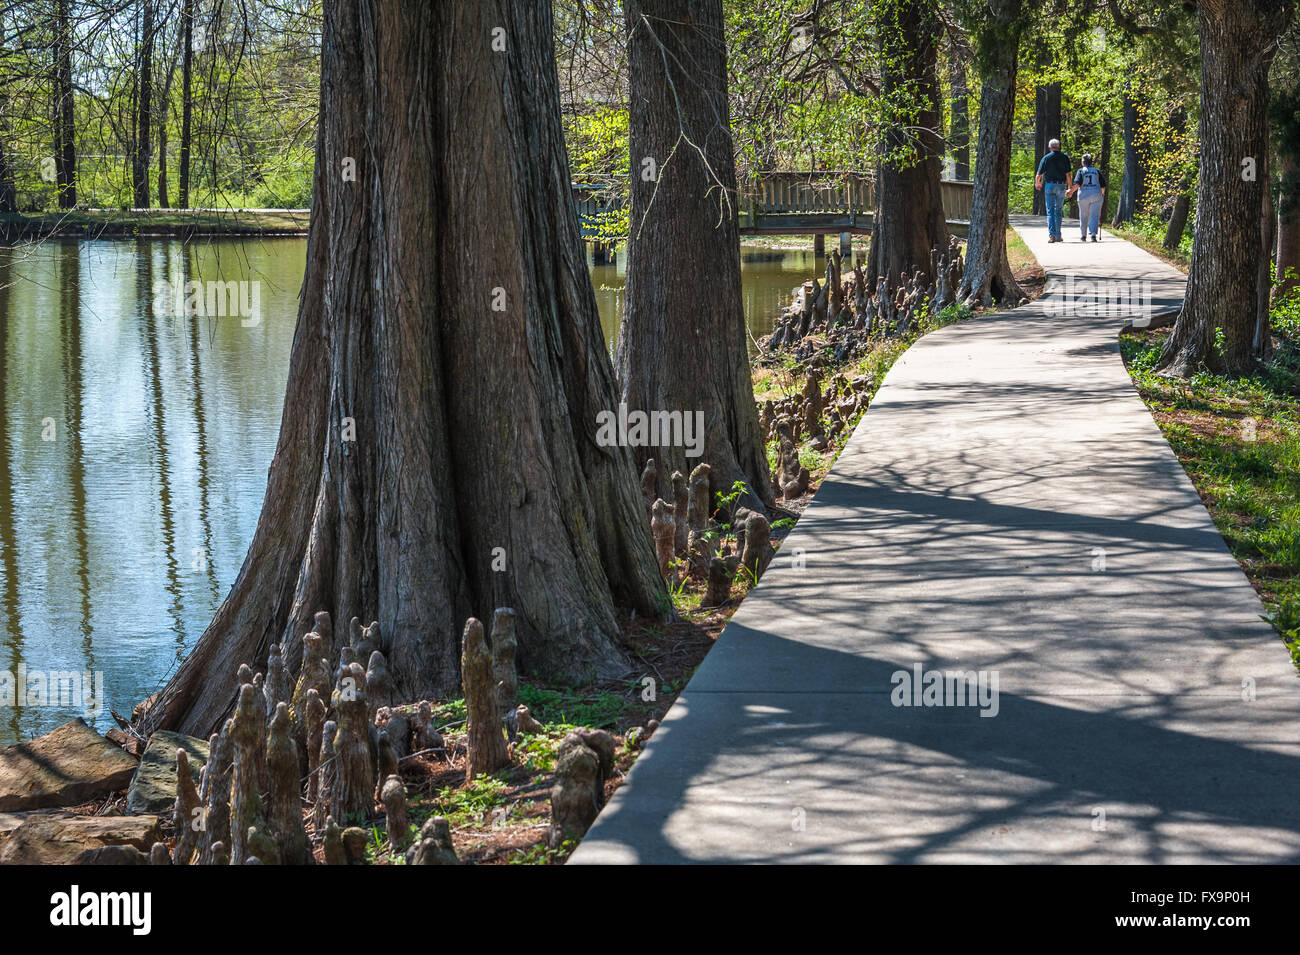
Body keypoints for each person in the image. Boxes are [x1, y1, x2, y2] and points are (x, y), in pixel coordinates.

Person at [1034, 138, 1071, 243]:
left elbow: (1039, 174)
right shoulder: (1064, 157)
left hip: (1049, 186)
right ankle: (1058, 235)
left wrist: (1038, 183)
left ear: (1050, 147)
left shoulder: (1046, 158)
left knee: (1050, 212)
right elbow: (1068, 174)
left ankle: (1052, 236)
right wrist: (1070, 187)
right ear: (1059, 147)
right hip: (1060, 186)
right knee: (1058, 211)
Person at [1066, 154, 1107, 242]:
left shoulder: (1081, 171)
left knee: (1083, 215)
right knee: (1094, 215)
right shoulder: (1097, 171)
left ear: (1083, 162)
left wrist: (1071, 192)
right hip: (1096, 195)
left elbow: (1077, 184)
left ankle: (1083, 235)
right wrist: (1102, 195)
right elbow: (1103, 186)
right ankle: (1093, 235)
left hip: (1083, 196)